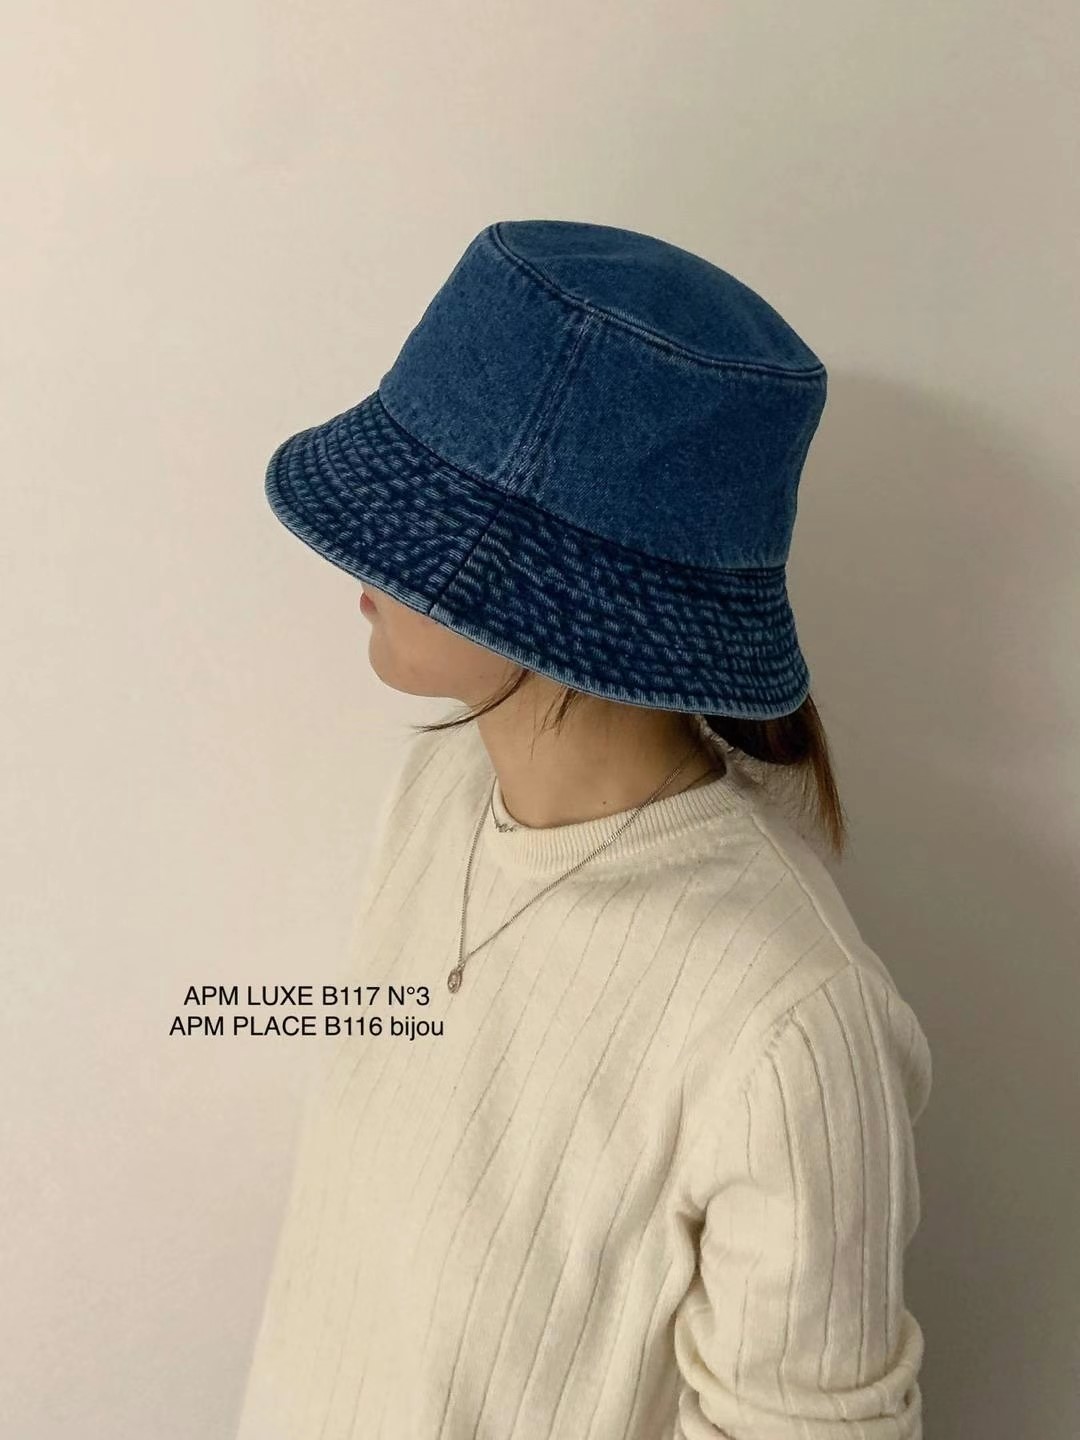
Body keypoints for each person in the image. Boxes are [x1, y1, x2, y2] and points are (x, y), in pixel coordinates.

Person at [235, 219, 933, 1440]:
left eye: (420, 523)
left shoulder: (789, 1019)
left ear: (560, 594)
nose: (358, 557)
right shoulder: (438, 793)